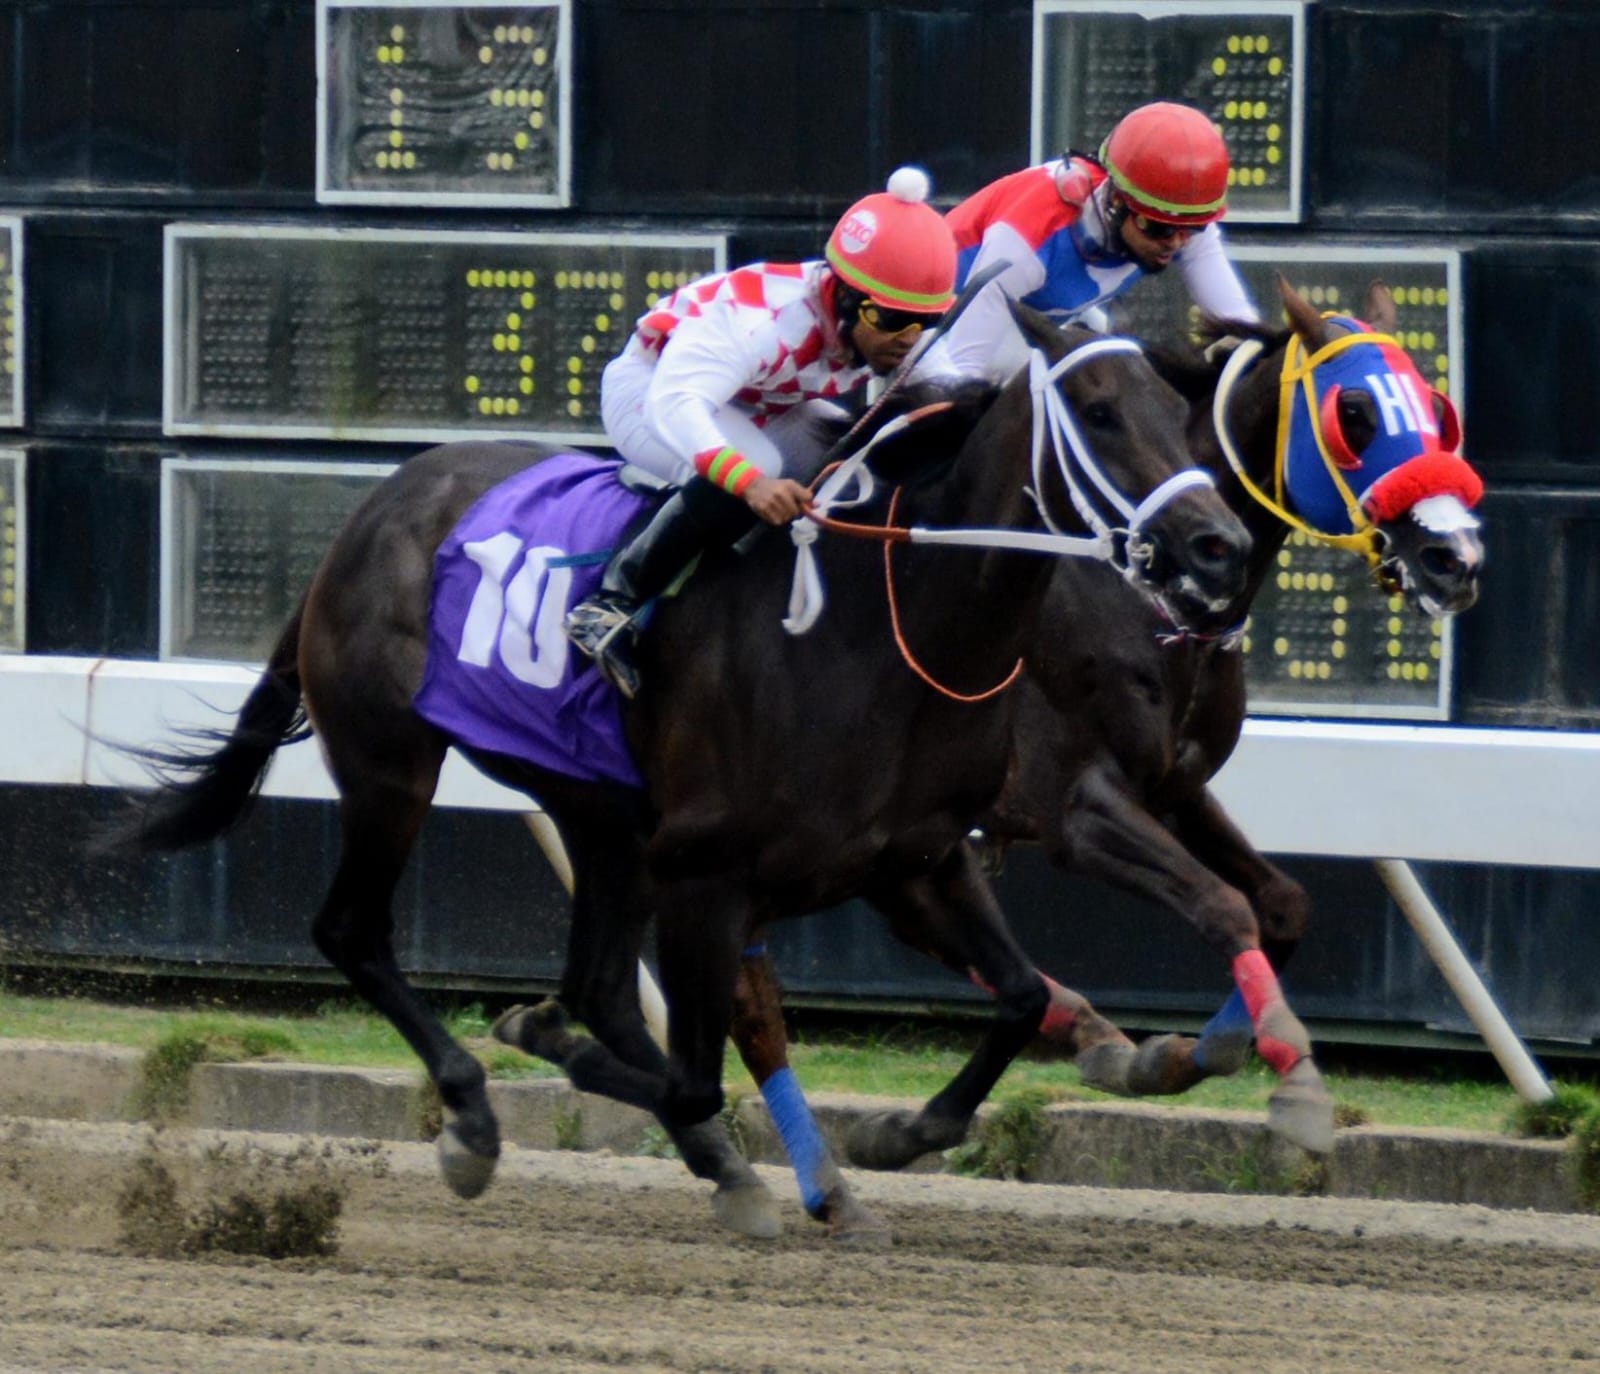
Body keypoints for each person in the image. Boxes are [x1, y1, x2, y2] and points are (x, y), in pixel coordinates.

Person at [565, 167, 958, 699]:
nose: (908, 341)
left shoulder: (889, 325)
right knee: (758, 467)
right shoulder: (764, 322)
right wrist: (750, 484)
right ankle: (610, 605)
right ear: (845, 299)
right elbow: (675, 404)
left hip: (761, 401)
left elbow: (956, 395)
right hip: (651, 390)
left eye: (925, 324)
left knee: (848, 457)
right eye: (891, 321)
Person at [923, 100, 1260, 384]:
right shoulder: (1026, 241)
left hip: (1023, 326)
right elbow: (960, 376)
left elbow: (1242, 333)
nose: (1175, 243)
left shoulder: (1177, 219)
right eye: (1158, 228)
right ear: (1115, 201)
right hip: (926, 330)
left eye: (1194, 228)